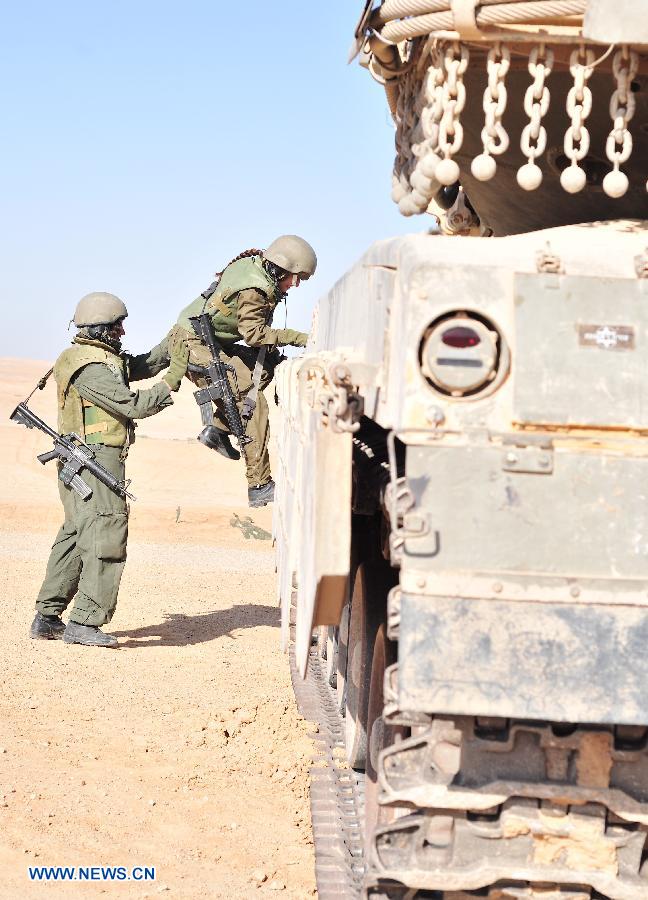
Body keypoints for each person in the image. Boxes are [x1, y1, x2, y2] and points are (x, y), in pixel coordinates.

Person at [30, 292, 188, 647]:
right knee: (106, 534)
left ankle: (47, 617)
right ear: (101, 328)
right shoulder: (90, 369)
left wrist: (176, 338)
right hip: (94, 461)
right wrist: (172, 380)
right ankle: (85, 623)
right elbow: (132, 405)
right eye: (117, 326)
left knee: (75, 536)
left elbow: (142, 364)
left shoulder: (99, 359)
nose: (123, 332)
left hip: (84, 460)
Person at [174, 235, 317, 508]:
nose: (296, 284)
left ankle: (216, 429)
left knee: (264, 368)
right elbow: (253, 334)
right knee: (250, 402)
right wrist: (300, 338)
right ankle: (259, 484)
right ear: (279, 268)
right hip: (193, 343)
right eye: (295, 277)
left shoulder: (259, 272)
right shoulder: (256, 288)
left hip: (204, 340)